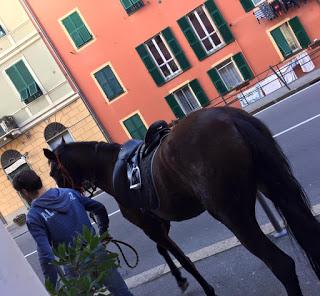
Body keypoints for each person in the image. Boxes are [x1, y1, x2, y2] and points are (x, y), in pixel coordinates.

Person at [12, 169, 133, 296]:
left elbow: (46, 255)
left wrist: (52, 288)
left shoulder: (34, 216)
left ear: (24, 192)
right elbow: (99, 208)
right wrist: (102, 234)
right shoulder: (69, 193)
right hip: (97, 252)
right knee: (122, 293)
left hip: (75, 265)